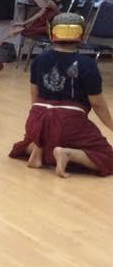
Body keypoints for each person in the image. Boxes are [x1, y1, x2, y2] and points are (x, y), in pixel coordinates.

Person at [9, 13, 113, 177]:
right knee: (107, 157)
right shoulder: (87, 65)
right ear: (82, 35)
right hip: (69, 121)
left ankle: (39, 148)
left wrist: (39, 124)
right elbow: (97, 104)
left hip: (37, 115)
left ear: (52, 33)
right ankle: (67, 153)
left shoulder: (39, 60)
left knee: (28, 143)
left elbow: (34, 95)